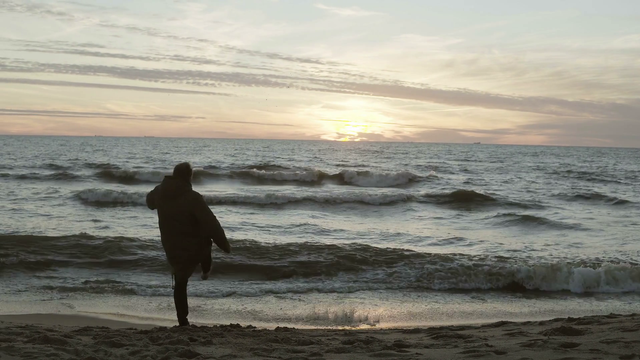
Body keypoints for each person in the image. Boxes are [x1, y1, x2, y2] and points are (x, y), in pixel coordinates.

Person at [146, 162, 230, 326]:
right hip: (193, 245)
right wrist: (225, 245)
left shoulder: (160, 192)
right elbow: (210, 223)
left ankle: (182, 320)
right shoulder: (193, 197)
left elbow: (149, 203)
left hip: (171, 246)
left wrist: (159, 192)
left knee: (180, 282)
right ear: (189, 176)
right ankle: (205, 270)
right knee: (207, 243)